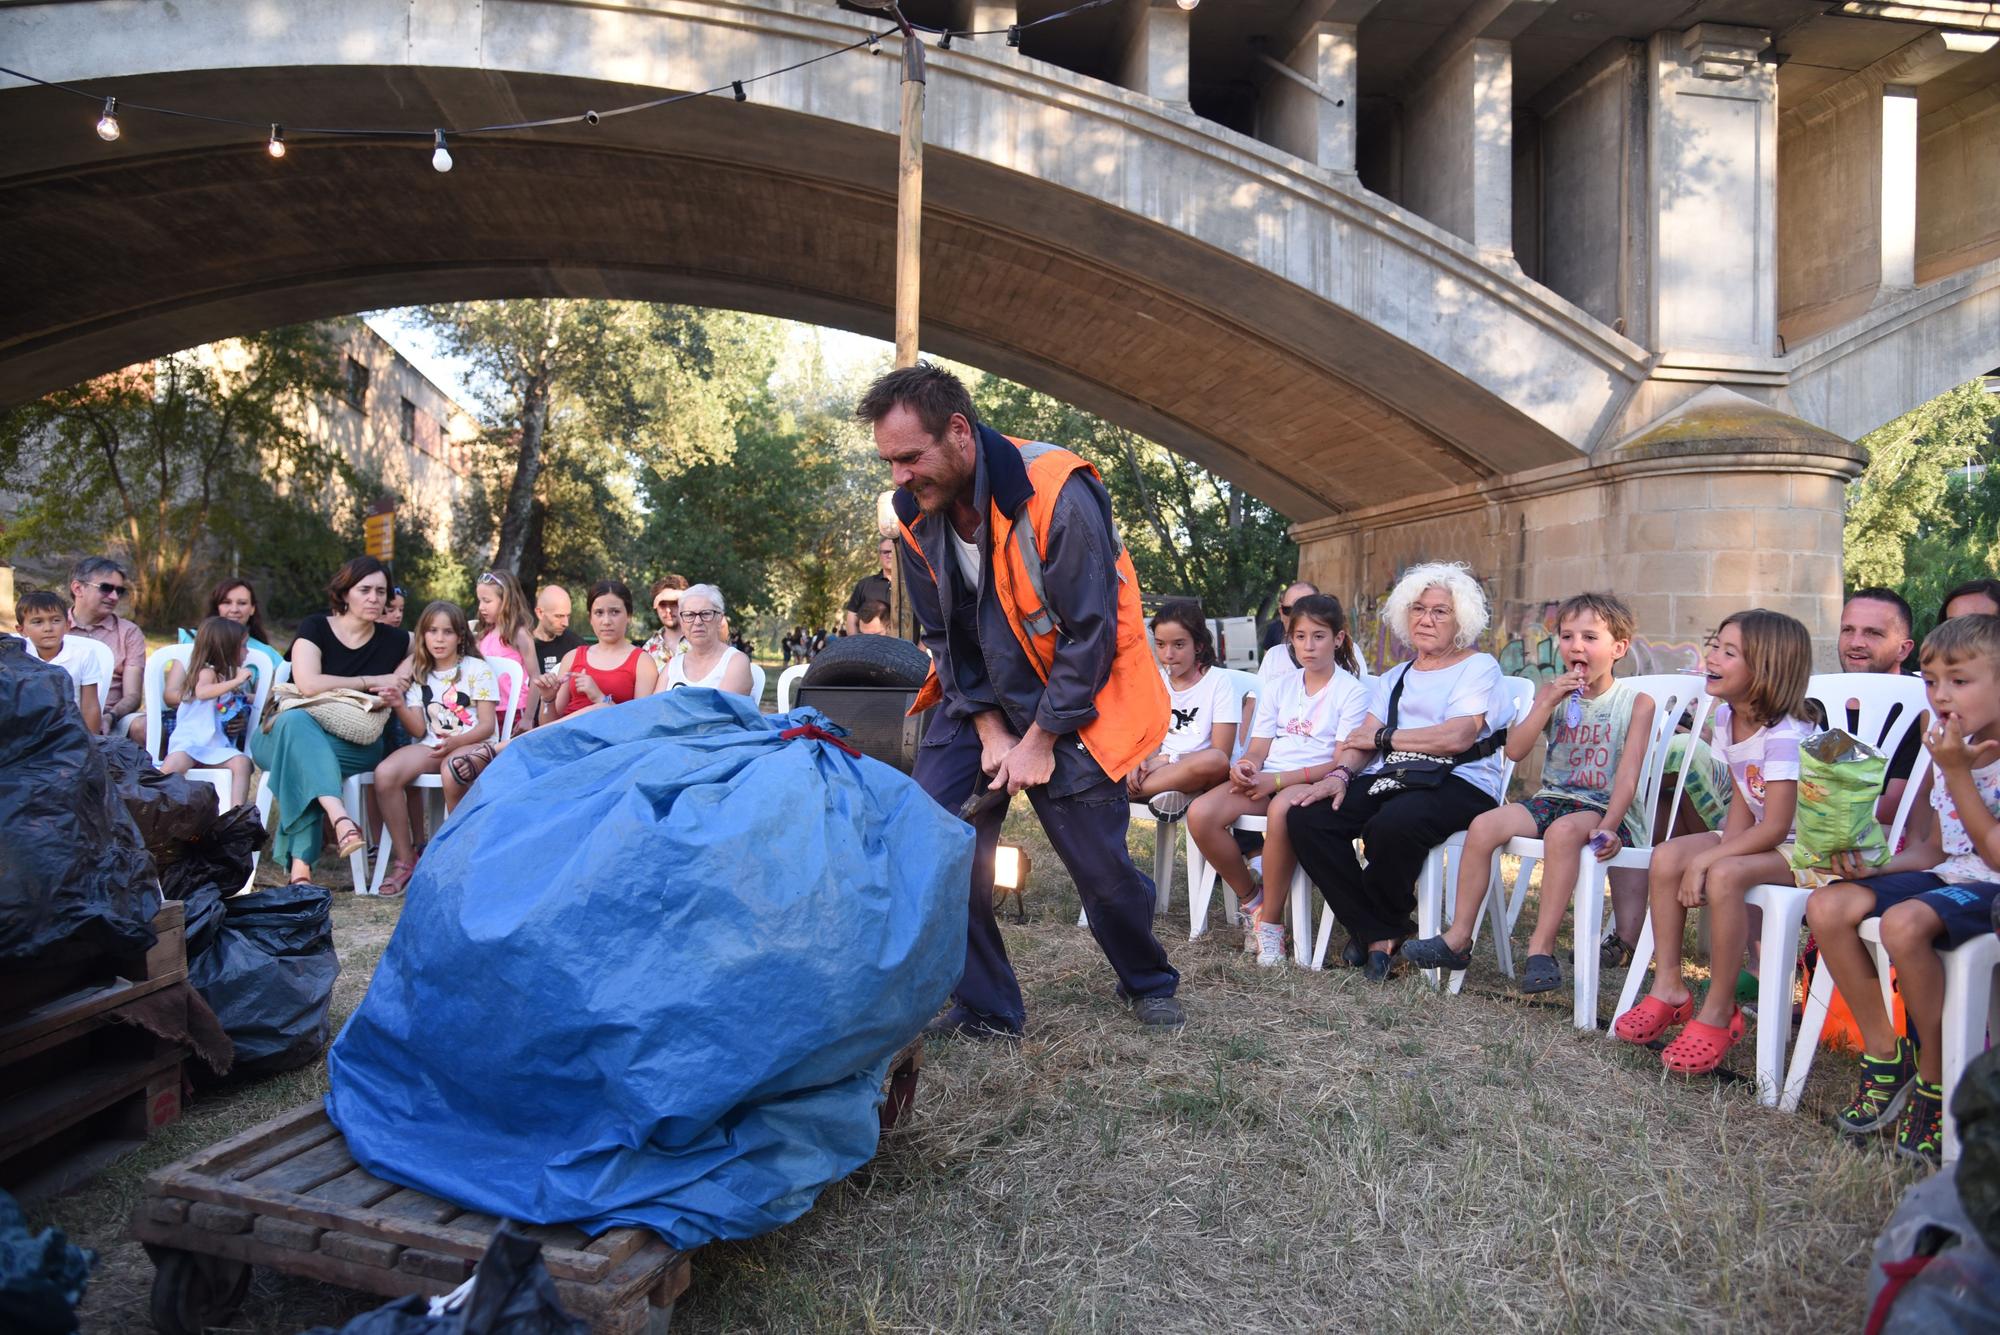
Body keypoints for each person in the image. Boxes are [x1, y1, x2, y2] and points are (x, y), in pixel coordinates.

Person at [862, 362, 1181, 1034]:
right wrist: (988, 731)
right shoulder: (912, 512)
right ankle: (987, 1006)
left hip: (1073, 692)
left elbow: (1091, 637)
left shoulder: (1058, 492)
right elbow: (941, 638)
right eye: (889, 461)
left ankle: (1148, 978)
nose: (899, 477)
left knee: (1102, 871)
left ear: (958, 432)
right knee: (937, 838)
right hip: (975, 696)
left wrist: (1039, 741)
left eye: (910, 457)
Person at [1803, 613, 2000, 1165]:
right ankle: (1886, 1057)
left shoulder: (1956, 758)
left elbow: (1993, 855)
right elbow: (1935, 851)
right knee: (1830, 903)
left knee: (1904, 923)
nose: (1940, 695)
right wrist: (1875, 869)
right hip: (1949, 876)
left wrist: (1957, 772)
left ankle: (1937, 1083)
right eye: (1932, 681)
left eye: (1959, 681)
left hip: (1993, 889)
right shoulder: (1949, 750)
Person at [1403, 593, 1656, 995]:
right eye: (1568, 636)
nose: (1576, 646)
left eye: (1590, 637)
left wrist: (1608, 827)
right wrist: (1546, 701)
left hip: (1603, 808)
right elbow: (1516, 750)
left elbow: (1627, 778)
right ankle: (1458, 938)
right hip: (1552, 800)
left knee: (1562, 833)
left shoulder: (1636, 703)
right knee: (1484, 825)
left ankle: (1541, 949)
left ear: (1618, 648)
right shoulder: (1553, 694)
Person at [1284, 562, 1513, 981]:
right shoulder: (1395, 676)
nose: (1426, 619)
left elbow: (1458, 736)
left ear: (1461, 619)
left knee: (1392, 824)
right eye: (1418, 609)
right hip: (1398, 777)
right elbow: (1361, 739)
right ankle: (1380, 931)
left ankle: (1375, 933)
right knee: (1307, 817)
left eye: (1440, 611)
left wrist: (1385, 740)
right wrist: (1339, 776)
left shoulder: (1478, 667)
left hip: (1462, 782)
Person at [1611, 609, 1816, 1073]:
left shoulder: (1785, 736)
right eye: (1714, 645)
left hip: (1805, 846)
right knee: (1666, 857)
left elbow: (1779, 824)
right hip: (1764, 835)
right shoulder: (1728, 719)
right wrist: (1710, 849)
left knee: (1722, 873)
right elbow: (1746, 802)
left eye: (1729, 652)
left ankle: (1720, 1010)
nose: (1712, 657)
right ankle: (1670, 988)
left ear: (1766, 669)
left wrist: (1710, 859)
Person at [1187, 594, 1369, 967]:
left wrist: (1279, 781)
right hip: (1269, 777)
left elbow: (1338, 763)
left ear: (1338, 639)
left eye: (1318, 636)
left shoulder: (1352, 692)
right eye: (1300, 636)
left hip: (1312, 780)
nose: (1308, 646)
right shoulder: (1280, 687)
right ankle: (1252, 898)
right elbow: (1257, 749)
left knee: (1283, 810)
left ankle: (1271, 926)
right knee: (1202, 814)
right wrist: (1249, 767)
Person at [250, 556, 411, 884]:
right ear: (345, 593)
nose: (374, 598)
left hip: (356, 742)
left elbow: (431, 648)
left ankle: (302, 868)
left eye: (381, 592)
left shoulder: (396, 640)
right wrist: (368, 681)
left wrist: (402, 675)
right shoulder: (316, 626)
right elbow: (307, 684)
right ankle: (339, 818)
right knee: (297, 729)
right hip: (278, 735)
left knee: (303, 759)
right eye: (364, 590)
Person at [371, 602, 498, 896]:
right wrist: (399, 704)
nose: (439, 639)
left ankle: (458, 857)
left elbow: (487, 726)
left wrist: (456, 742)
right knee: (385, 773)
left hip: (472, 744)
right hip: (434, 743)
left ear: (460, 637)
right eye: (432, 631)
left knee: (451, 769)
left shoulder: (477, 669)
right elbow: (417, 730)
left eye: (447, 632)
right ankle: (406, 860)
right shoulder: (421, 672)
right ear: (423, 636)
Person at [1127, 602, 1241, 822]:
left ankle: (1120, 793)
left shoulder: (1219, 682)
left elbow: (1221, 753)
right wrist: (1141, 762)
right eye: (1160, 644)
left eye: (1179, 645)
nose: (1168, 654)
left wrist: (1169, 759)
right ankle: (1177, 792)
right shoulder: (1156, 681)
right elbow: (1150, 739)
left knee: (1214, 759)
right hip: (1160, 773)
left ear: (1198, 645)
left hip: (1204, 770)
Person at [1838, 587, 1924, 825]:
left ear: (1903, 649)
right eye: (1848, 630)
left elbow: (1894, 808)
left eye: (1873, 633)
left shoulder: (1922, 705)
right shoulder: (1816, 702)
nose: (1855, 643)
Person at [162, 578, 282, 748]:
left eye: (242, 603)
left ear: (253, 608)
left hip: (232, 727)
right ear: (217, 606)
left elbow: (267, 702)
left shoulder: (264, 653)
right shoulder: (192, 640)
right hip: (187, 722)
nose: (234, 609)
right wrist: (212, 697)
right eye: (226, 602)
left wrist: (240, 711)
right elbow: (170, 696)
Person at [158, 615, 256, 808]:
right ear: (226, 648)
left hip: (214, 745)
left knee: (242, 763)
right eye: (243, 646)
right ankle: (153, 806)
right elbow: (203, 693)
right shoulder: (206, 673)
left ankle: (235, 814)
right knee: (172, 767)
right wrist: (236, 681)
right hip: (190, 743)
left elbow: (232, 702)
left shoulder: (223, 676)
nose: (247, 651)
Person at [540, 580, 658, 720]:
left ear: (629, 616)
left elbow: (640, 724)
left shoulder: (642, 663)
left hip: (612, 741)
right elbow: (548, 726)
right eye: (599, 613)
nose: (606, 621)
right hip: (567, 737)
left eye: (615, 612)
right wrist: (548, 699)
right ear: (590, 618)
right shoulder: (572, 657)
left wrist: (600, 698)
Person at [66, 556, 145, 735]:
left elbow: (133, 695)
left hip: (112, 716)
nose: (114, 597)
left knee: (144, 727)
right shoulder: (52, 627)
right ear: (78, 588)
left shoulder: (129, 633)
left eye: (119, 591)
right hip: (60, 715)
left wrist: (110, 716)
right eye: (106, 588)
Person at [15, 590, 106, 733]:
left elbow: (90, 707)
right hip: (24, 734)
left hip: (68, 736)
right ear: (21, 630)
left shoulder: (84, 655)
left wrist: (90, 745)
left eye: (56, 620)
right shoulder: (16, 655)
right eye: (37, 622)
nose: (48, 628)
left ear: (67, 625)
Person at [657, 583, 755, 696]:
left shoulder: (735, 662)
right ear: (682, 622)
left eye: (706, 614)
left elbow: (718, 711)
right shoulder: (673, 666)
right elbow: (653, 708)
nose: (697, 622)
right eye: (689, 615)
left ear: (720, 619)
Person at [473, 570, 539, 733]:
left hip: (514, 711)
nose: (481, 607)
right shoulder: (482, 633)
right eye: (479, 601)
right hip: (484, 711)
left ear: (506, 601)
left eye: (487, 601)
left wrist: (528, 718)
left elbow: (536, 677)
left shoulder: (519, 634)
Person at [1257, 581, 1319, 685]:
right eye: (1289, 610)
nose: (1297, 617)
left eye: (1307, 610)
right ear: (1281, 612)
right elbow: (1258, 696)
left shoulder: (1347, 655)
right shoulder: (1273, 656)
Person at [844, 537, 897, 636]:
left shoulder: (913, 586)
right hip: (870, 649)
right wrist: (858, 649)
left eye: (894, 551)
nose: (890, 555)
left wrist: (918, 650)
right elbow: (851, 621)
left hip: (906, 650)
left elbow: (931, 623)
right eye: (886, 552)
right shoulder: (864, 585)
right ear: (879, 555)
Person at [532, 585, 586, 678]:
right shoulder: (525, 646)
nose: (566, 623)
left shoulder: (574, 643)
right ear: (540, 613)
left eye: (568, 616)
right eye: (559, 616)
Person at [641, 574, 689, 671]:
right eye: (662, 605)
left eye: (674, 603)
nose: (668, 610)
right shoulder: (648, 649)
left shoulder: (701, 639)